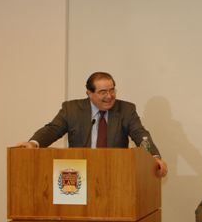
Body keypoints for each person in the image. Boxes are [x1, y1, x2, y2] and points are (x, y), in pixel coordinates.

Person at [18, 71, 167, 177]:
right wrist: (33, 143)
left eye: (112, 90)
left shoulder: (126, 110)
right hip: (79, 174)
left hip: (115, 173)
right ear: (89, 93)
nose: (109, 96)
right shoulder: (72, 109)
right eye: (103, 92)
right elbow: (52, 130)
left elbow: (140, 134)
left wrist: (154, 157)